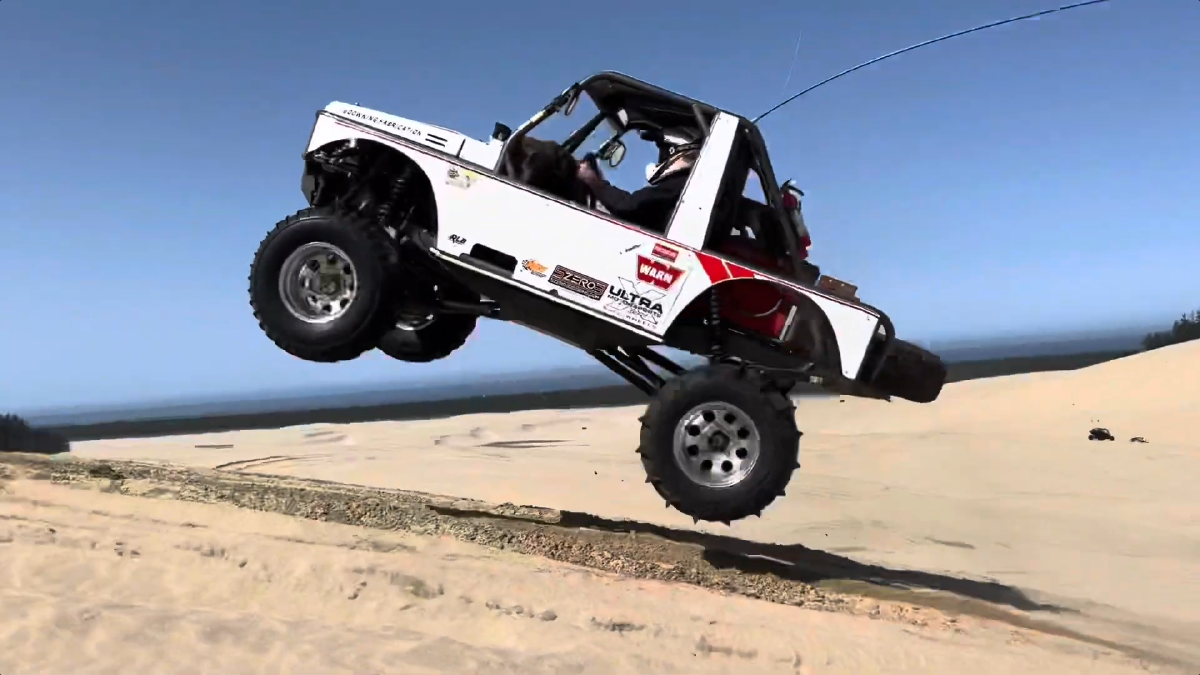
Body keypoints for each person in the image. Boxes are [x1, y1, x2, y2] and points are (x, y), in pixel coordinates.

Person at [575, 133, 701, 233]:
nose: (660, 159)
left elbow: (628, 207)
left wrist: (595, 183)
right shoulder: (687, 186)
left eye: (663, 151)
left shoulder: (680, 185)